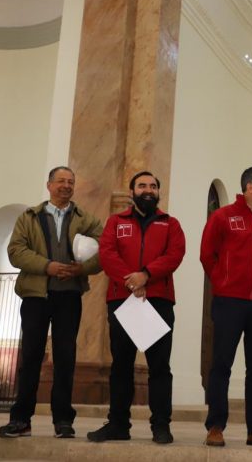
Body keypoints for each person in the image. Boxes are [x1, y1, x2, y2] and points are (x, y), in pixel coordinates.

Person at [0, 167, 103, 440]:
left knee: (66, 358)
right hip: (36, 296)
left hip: (69, 296)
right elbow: (15, 251)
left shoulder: (85, 218)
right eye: (61, 181)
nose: (66, 186)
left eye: (71, 182)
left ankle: (63, 421)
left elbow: (106, 247)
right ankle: (20, 419)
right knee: (30, 356)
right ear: (49, 185)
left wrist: (82, 268)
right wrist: (48, 266)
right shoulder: (29, 217)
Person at [87, 171, 186, 444]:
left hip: (159, 300)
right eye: (142, 186)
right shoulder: (115, 222)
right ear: (132, 192)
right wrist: (132, 281)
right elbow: (107, 254)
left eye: (153, 186)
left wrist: (146, 274)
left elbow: (175, 254)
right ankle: (118, 424)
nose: (148, 190)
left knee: (159, 367)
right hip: (123, 300)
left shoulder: (171, 224)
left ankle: (161, 426)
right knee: (121, 365)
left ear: (158, 192)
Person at [200, 167, 252, 448]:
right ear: (250, 187)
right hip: (229, 301)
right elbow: (207, 255)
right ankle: (215, 425)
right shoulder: (223, 216)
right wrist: (224, 283)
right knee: (221, 364)